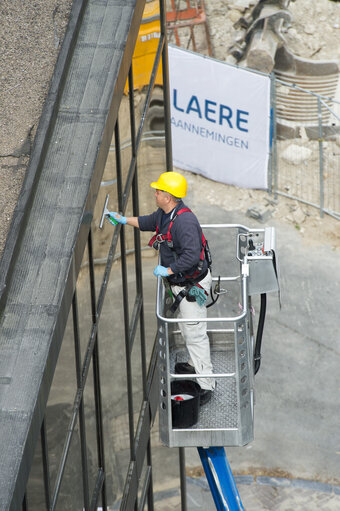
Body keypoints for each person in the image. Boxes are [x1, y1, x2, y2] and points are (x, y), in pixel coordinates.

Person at [108, 171, 215, 405]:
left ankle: (207, 385)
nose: (155, 193)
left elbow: (190, 257)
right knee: (189, 331)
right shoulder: (166, 214)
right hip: (180, 282)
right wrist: (124, 220)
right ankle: (193, 364)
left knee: (195, 334)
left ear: (169, 196)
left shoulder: (184, 222)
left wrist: (166, 271)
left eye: (159, 191)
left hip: (190, 285)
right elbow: (148, 222)